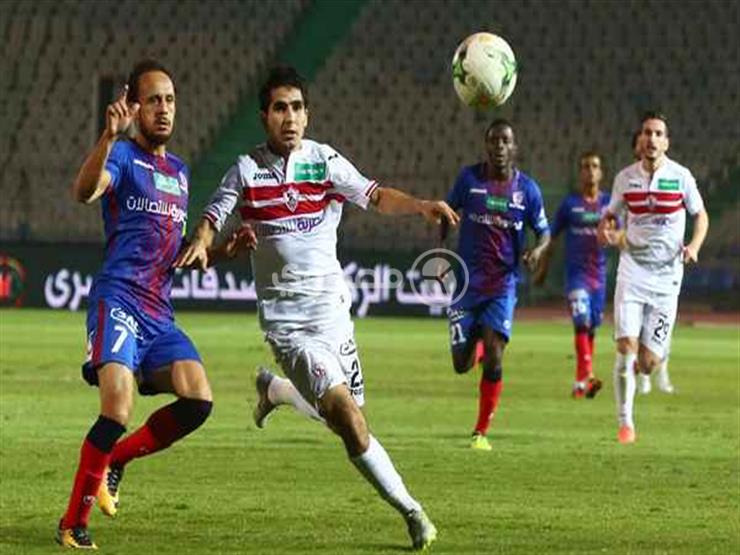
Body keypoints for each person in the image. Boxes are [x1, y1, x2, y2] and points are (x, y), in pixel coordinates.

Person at [175, 66, 458, 551]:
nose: (290, 118)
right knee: (349, 420)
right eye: (280, 109)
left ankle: (277, 391)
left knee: (348, 416)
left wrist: (419, 205)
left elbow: (375, 195)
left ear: (307, 115)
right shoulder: (246, 170)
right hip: (290, 328)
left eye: (297, 108)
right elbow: (212, 216)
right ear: (264, 116)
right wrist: (202, 241)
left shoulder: (324, 162)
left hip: (333, 316)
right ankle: (413, 511)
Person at [57, 60, 214, 549]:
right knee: (117, 409)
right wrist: (107, 137)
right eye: (153, 100)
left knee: (198, 399)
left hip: (159, 313)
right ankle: (73, 524)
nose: (163, 109)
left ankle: (117, 460)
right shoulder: (123, 156)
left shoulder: (180, 172)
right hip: (119, 299)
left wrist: (218, 248)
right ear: (135, 107)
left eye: (169, 100)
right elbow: (84, 192)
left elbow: (173, 246)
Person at [440, 119, 550, 452]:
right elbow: (447, 211)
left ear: (514, 147)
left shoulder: (527, 190)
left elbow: (544, 232)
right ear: (486, 146)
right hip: (466, 286)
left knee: (495, 358)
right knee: (461, 364)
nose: (499, 146)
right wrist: (443, 244)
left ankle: (480, 431)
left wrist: (537, 251)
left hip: (503, 285)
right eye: (494, 141)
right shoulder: (469, 180)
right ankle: (475, 341)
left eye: (505, 141)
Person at [598, 111, 708, 444]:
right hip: (632, 271)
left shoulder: (681, 177)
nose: (652, 138)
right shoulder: (625, 178)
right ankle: (625, 423)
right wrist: (607, 231)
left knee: (647, 363)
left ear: (666, 142)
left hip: (667, 278)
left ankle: (642, 370)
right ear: (640, 140)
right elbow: (610, 216)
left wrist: (694, 246)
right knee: (625, 348)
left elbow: (701, 216)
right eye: (647, 132)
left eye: (658, 133)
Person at [534, 152, 609, 399]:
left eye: (595, 166)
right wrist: (543, 268)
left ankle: (580, 384)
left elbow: (621, 234)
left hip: (599, 277)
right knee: (581, 322)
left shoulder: (609, 204)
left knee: (591, 329)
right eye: (586, 166)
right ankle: (589, 376)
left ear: (601, 172)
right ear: (580, 172)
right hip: (577, 276)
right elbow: (551, 239)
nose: (590, 171)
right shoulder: (569, 204)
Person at [631, 130, 675, 395]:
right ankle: (642, 376)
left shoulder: (670, 178)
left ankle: (661, 372)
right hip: (636, 268)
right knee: (636, 328)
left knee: (659, 327)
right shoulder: (629, 182)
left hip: (663, 270)